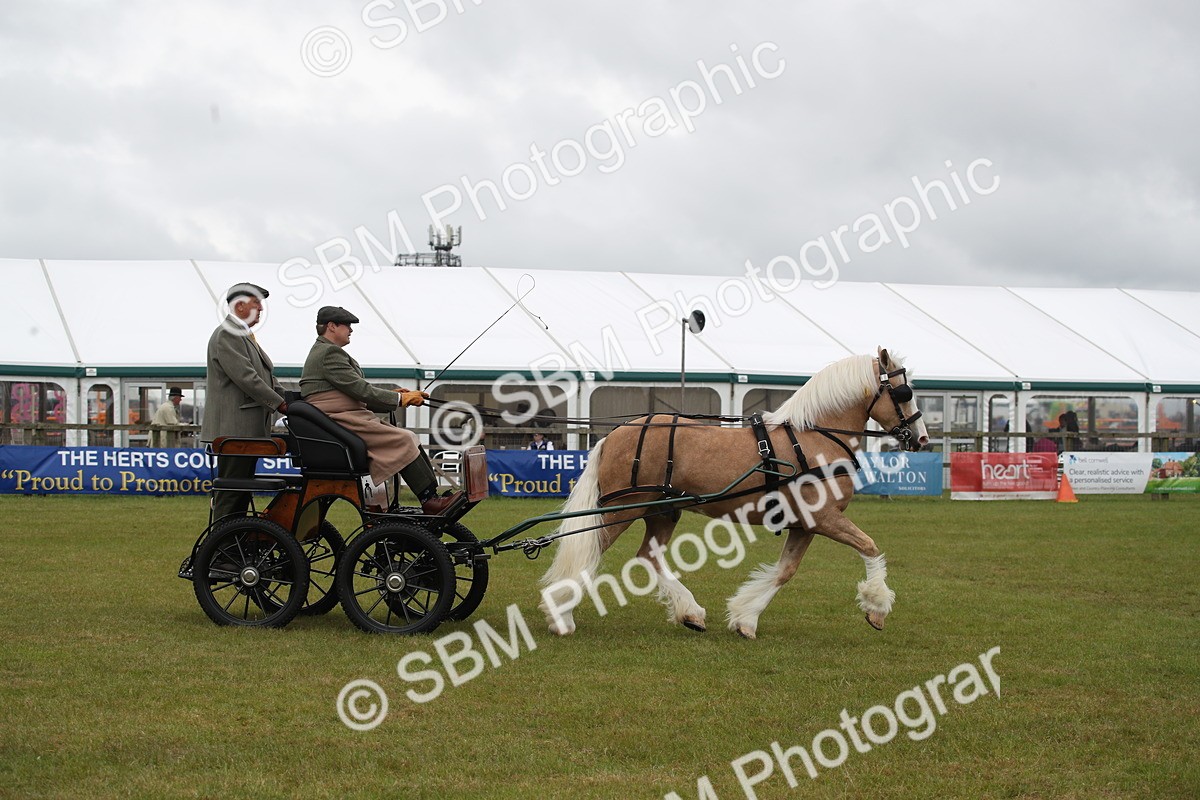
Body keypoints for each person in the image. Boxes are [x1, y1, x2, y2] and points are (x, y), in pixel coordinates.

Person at [299, 306, 461, 515]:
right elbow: (360, 389)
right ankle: (429, 500)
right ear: (331, 326)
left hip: (346, 415)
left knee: (409, 437)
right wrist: (400, 398)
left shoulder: (327, 352)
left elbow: (355, 393)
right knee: (403, 439)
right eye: (347, 325)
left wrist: (398, 395)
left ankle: (432, 496)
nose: (351, 330)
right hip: (338, 419)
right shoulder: (328, 353)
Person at [200, 283, 288, 521]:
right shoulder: (228, 334)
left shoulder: (243, 336)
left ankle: (231, 545)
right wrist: (281, 404)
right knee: (230, 493)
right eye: (256, 302)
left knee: (239, 491)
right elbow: (247, 378)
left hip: (245, 432)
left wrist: (291, 398)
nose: (261, 308)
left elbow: (265, 377)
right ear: (239, 305)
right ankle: (219, 550)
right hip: (233, 431)